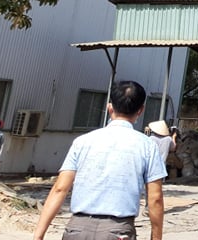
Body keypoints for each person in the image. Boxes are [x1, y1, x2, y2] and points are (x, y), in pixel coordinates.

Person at [34, 80, 166, 240]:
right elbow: (155, 198)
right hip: (118, 231)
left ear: (110, 107)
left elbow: (60, 189)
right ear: (140, 110)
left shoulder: (82, 142)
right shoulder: (147, 146)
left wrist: (38, 236)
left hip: (76, 230)